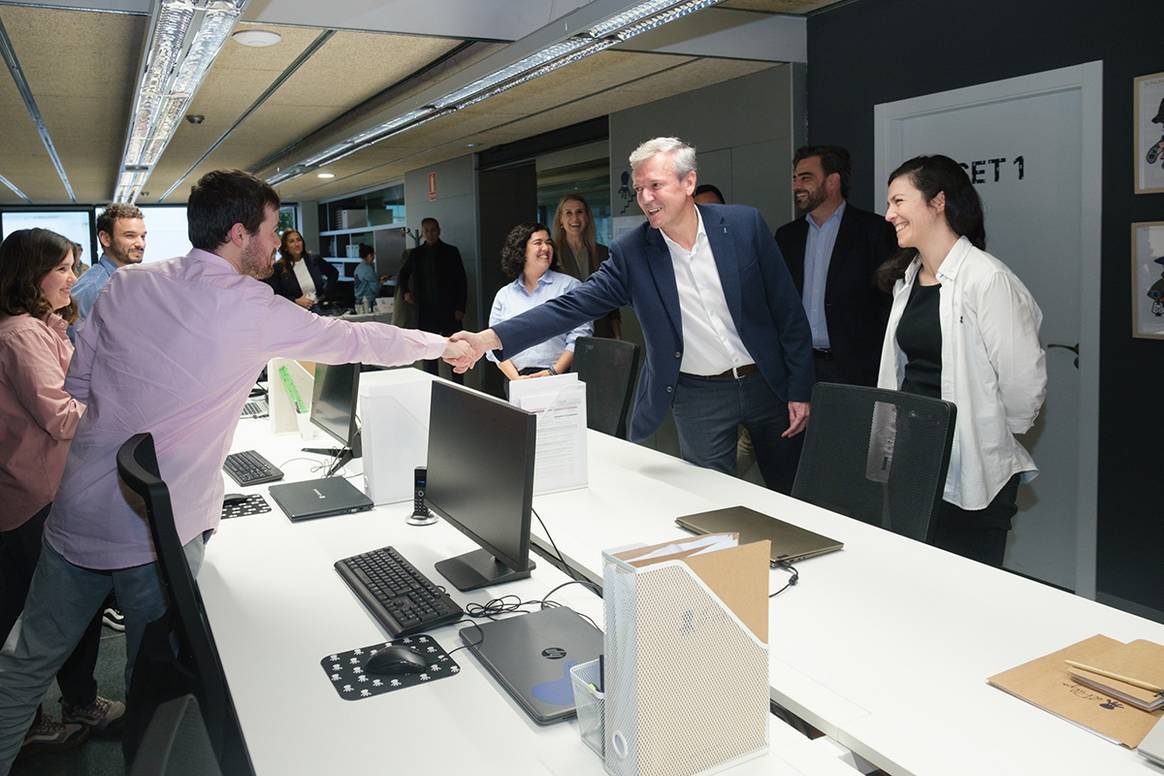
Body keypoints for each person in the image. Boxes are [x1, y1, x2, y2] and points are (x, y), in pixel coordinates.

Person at [0, 169, 474, 771]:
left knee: (24, 663)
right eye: (272, 231)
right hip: (155, 536)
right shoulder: (251, 306)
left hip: (78, 513)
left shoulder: (126, 287)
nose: (278, 244)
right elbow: (354, 340)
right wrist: (444, 345)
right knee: (159, 685)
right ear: (237, 232)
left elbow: (80, 386)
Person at [452, 137, 813, 493]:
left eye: (655, 185)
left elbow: (787, 310)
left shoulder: (743, 226)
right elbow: (572, 305)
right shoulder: (633, 253)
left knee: (791, 490)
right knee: (711, 501)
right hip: (699, 395)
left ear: (689, 182)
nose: (645, 198)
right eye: (639, 188)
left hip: (767, 384)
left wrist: (799, 388)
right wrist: (489, 338)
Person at [877, 154, 1047, 568]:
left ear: (938, 202)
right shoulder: (908, 281)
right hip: (914, 460)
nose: (888, 214)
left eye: (899, 202)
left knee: (966, 594)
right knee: (914, 582)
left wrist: (983, 431)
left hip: (973, 468)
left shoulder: (987, 280)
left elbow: (1024, 387)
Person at [0, 229, 124, 757]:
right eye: (64, 269)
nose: (74, 279)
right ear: (31, 276)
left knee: (59, 611)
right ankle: (32, 720)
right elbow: (59, 413)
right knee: (46, 618)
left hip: (41, 487)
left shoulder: (42, 327)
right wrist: (119, 417)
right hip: (34, 495)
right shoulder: (22, 334)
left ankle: (71, 702)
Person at [776, 145, 897, 386]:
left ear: (833, 181)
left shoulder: (874, 231)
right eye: (795, 178)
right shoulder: (786, 237)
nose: (796, 186)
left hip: (857, 370)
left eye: (806, 178)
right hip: (801, 369)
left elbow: (889, 302)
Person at [488, 223, 591, 380]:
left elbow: (580, 335)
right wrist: (516, 379)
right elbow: (492, 344)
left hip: (559, 375)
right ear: (521, 251)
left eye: (548, 242)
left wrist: (554, 371)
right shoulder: (505, 295)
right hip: (516, 378)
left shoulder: (569, 286)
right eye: (538, 243)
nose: (545, 248)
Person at [551, 195, 619, 339]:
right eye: (568, 213)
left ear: (587, 218)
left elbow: (612, 300)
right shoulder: (552, 255)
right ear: (560, 220)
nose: (575, 219)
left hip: (602, 333)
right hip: (566, 334)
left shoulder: (603, 253)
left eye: (579, 212)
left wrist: (617, 335)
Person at [69, 203, 146, 323]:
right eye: (130, 236)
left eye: (143, 236)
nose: (140, 244)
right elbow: (72, 339)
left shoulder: (133, 280)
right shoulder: (92, 288)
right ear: (105, 238)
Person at [265, 228, 338, 310]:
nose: (297, 244)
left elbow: (333, 273)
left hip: (317, 308)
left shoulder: (314, 259)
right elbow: (275, 294)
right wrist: (295, 300)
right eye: (291, 241)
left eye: (298, 240)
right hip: (293, 310)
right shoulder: (278, 267)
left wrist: (325, 293)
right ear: (285, 247)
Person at [353, 242, 381, 309]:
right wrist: (381, 282)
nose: (374, 258)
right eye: (373, 255)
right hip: (368, 302)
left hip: (358, 301)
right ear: (369, 256)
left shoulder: (358, 267)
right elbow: (375, 289)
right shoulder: (368, 270)